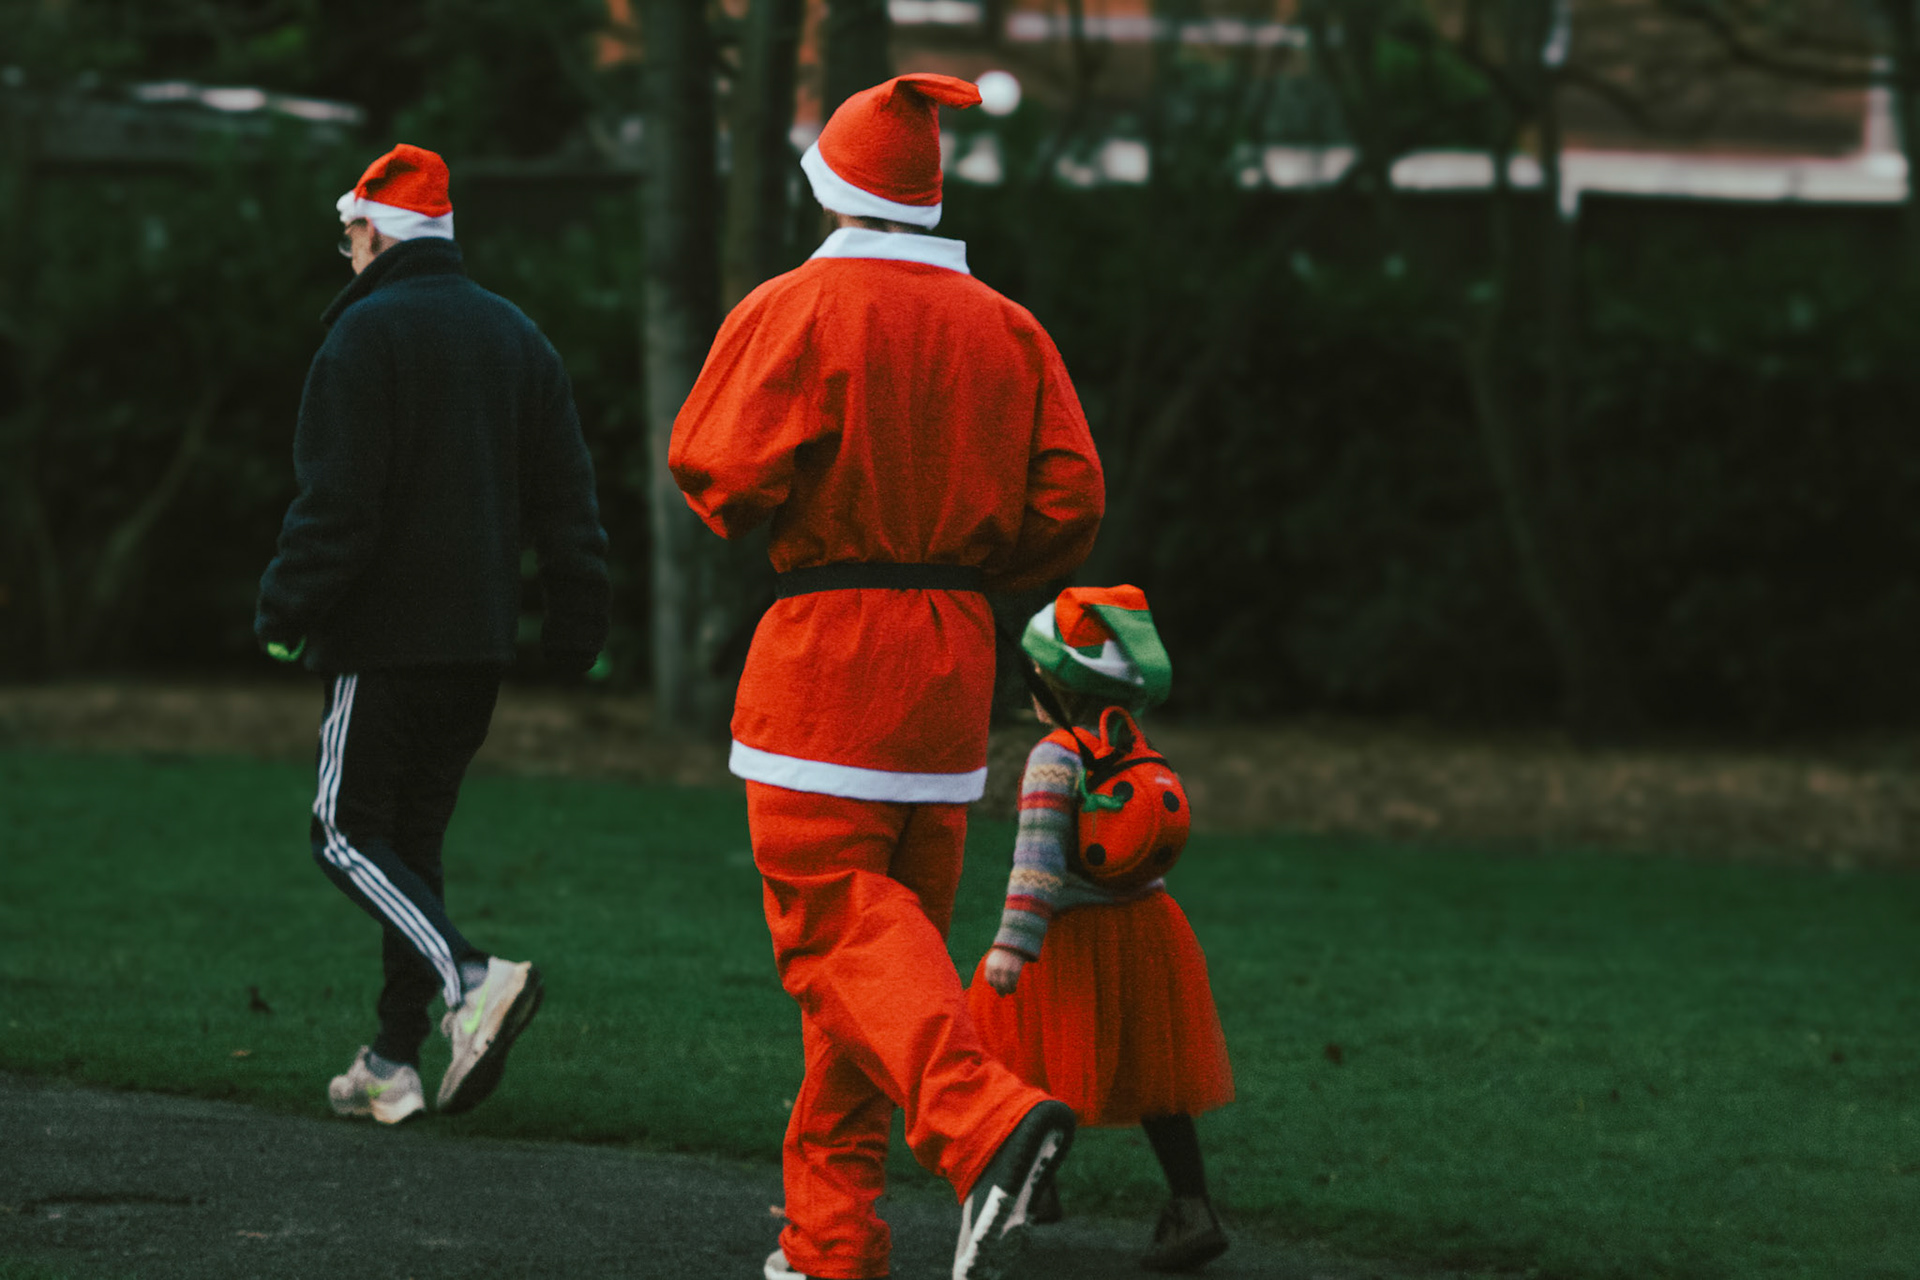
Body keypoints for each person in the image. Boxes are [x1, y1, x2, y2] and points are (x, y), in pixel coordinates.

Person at [670, 74, 1106, 1280]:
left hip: (828, 645)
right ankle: (830, 1242)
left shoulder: (798, 303)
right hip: (952, 655)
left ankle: (986, 1123)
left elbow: (712, 465)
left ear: (829, 182)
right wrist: (968, 565)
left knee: (830, 928)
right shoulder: (1008, 325)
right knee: (878, 964)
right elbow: (1071, 497)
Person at [254, 143, 610, 1125]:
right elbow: (568, 502)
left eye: (347, 234)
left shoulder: (362, 339)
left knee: (343, 832)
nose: (345, 252)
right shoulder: (517, 338)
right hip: (479, 646)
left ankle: (469, 976)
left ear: (375, 231)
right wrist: (575, 620)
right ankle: (391, 1057)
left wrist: (285, 609)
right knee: (411, 843)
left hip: (384, 641)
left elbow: (337, 509)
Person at [967, 585, 1234, 1274]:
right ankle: (1192, 1208)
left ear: (1054, 683)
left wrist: (1010, 947)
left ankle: (1030, 1193)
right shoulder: (1128, 741)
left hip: (1074, 943)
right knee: (1159, 1083)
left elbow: (1037, 867)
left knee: (1031, 1066)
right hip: (1149, 930)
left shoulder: (1054, 757)